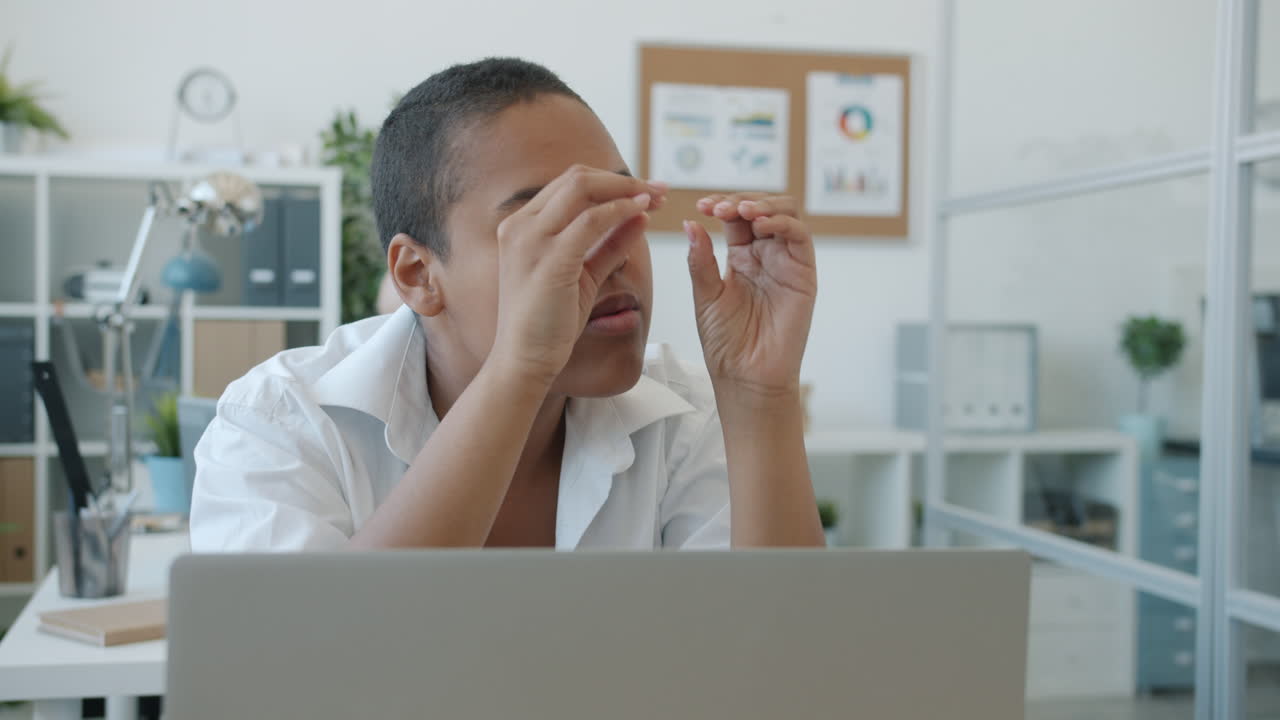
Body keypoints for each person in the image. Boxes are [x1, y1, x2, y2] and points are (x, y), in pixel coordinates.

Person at [190, 58, 822, 550]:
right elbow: (307, 669)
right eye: (552, 222)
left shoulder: (684, 420)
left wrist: (759, 397)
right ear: (418, 275)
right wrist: (520, 370)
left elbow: (787, 672)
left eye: (624, 204)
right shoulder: (280, 422)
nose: (615, 252)